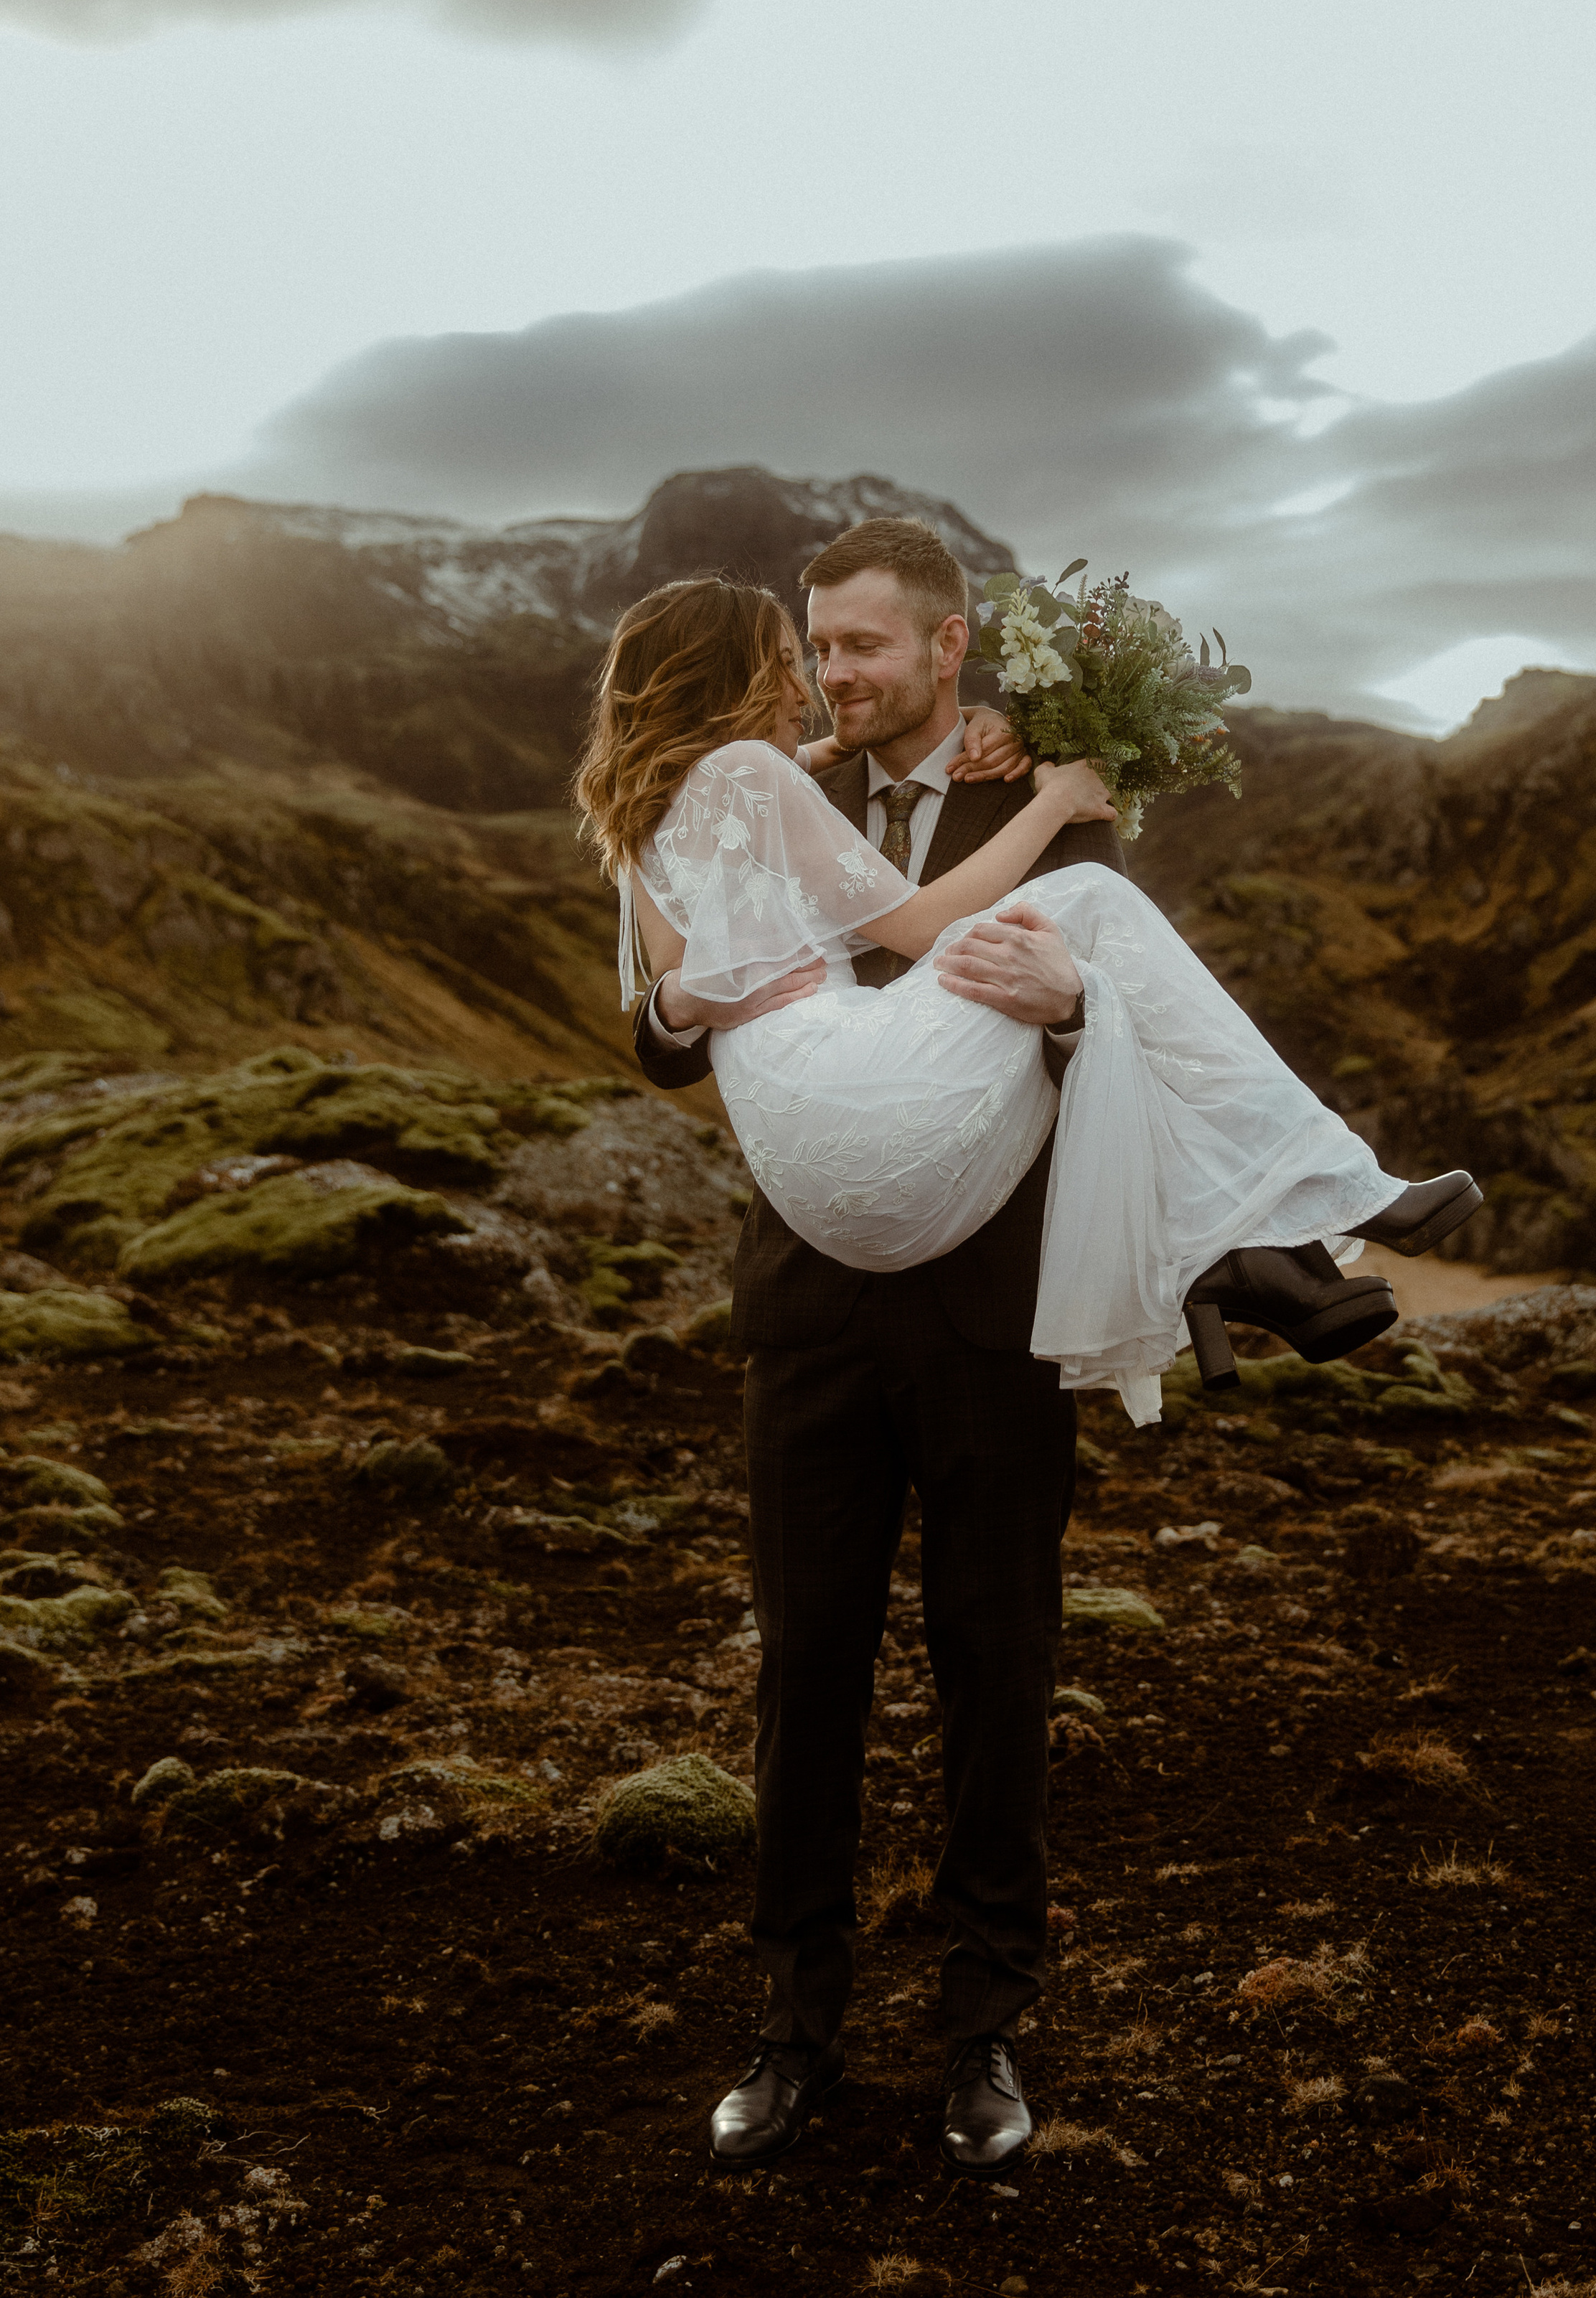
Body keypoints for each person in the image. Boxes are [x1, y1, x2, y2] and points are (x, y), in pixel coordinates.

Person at [589, 519, 1476, 2176]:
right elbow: (663, 1030)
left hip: (990, 1309)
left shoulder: (1028, 799)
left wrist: (1065, 1001)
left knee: (996, 1669)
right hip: (812, 1306)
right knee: (805, 1674)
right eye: (813, 648)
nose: (833, 677)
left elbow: (1103, 1025)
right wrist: (678, 1004)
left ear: (948, 648)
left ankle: (981, 2028)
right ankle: (792, 2029)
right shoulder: (775, 779)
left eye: (861, 648)